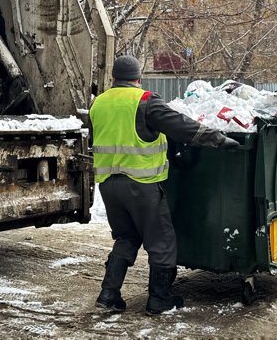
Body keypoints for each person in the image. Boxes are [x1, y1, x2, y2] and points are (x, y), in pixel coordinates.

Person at [90, 55, 239, 315]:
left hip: (109, 186)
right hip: (141, 185)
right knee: (162, 241)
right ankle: (159, 298)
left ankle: (108, 294)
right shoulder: (145, 101)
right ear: (138, 78)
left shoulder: (98, 103)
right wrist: (219, 139)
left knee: (126, 237)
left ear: (114, 77)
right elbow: (182, 127)